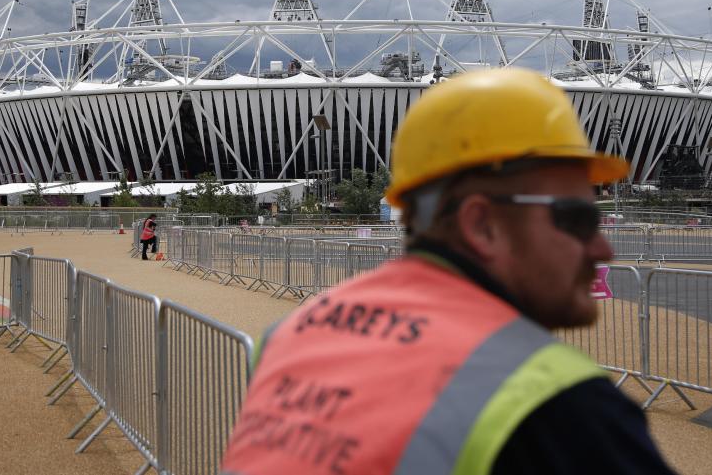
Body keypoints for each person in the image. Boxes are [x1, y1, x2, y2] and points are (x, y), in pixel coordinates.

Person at [219, 68, 675, 474]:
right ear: (482, 224)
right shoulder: (551, 402)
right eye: (577, 220)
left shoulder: (293, 333)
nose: (603, 248)